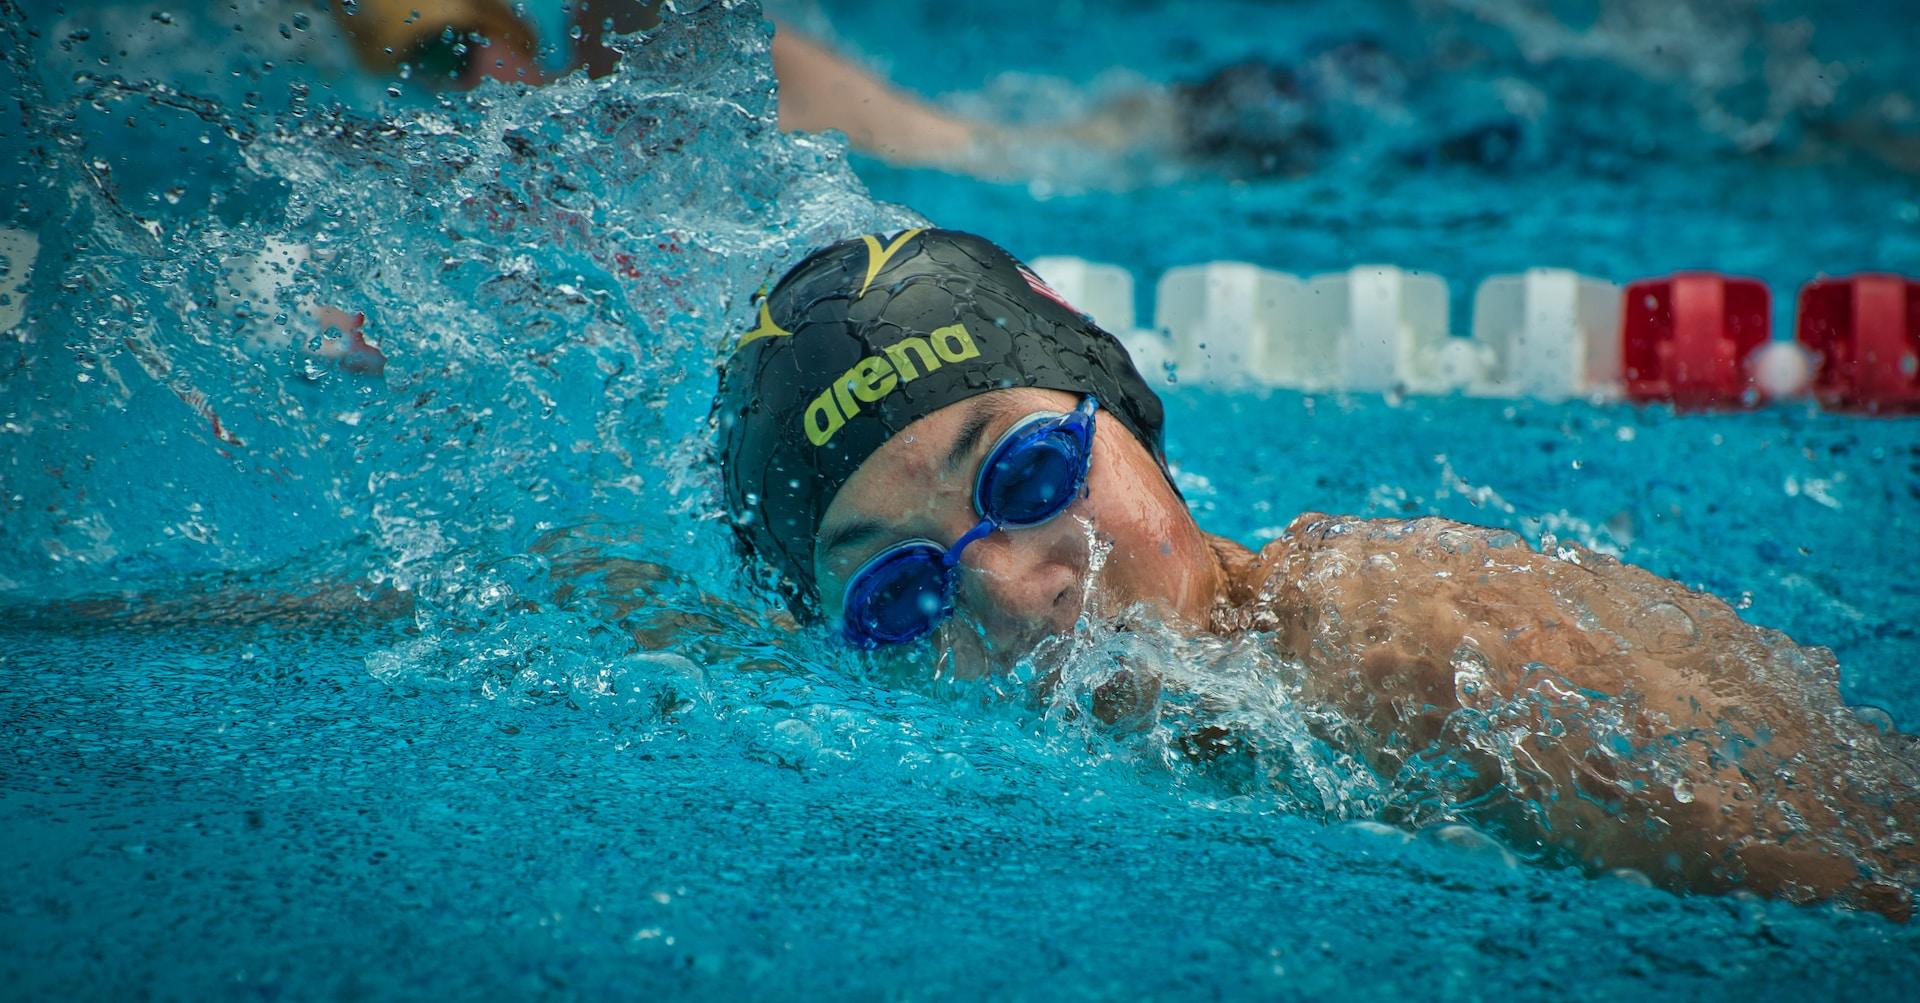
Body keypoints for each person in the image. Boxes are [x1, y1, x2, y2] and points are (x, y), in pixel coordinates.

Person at [711, 227, 1918, 919]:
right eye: (899, 595)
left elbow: (1872, 896)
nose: (1020, 591)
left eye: (1028, 474)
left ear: (1129, 416)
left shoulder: (1423, 659)